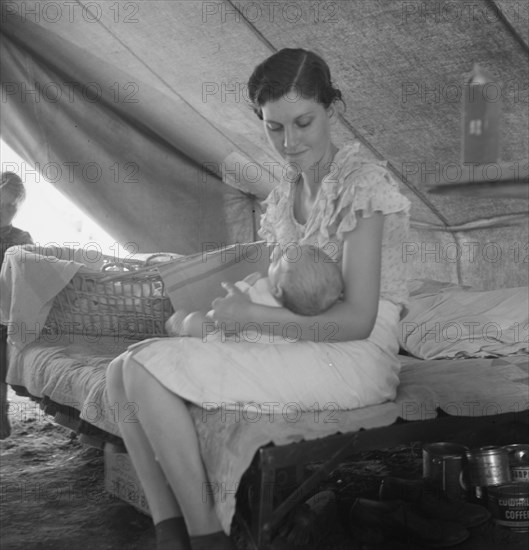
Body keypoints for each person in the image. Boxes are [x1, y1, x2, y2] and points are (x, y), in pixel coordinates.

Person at [106, 48, 410, 550]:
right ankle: (171, 530)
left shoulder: (363, 185)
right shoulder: (285, 194)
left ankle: (206, 539)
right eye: (274, 128)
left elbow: (357, 320)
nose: (289, 143)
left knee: (144, 370)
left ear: (333, 112)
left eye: (304, 122)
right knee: (121, 371)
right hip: (300, 340)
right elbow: (284, 292)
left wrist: (249, 316)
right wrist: (239, 316)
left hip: (356, 354)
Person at [165, 243, 344, 341]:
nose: (274, 260)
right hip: (246, 340)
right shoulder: (298, 309)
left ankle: (182, 328)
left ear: (277, 290)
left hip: (224, 336)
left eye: (277, 264)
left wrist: (243, 286)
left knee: (194, 319)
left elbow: (238, 300)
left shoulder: (267, 294)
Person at [0, 172, 34, 439]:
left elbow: (34, 271)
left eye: (10, 206)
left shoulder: (22, 237)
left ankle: (1, 411)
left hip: (6, 312)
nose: (4, 211)